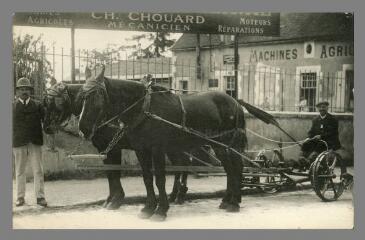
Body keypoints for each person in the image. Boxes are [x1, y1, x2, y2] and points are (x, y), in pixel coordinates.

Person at [13, 77, 47, 207]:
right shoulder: (12, 106)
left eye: (27, 89)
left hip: (35, 142)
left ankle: (40, 197)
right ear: (17, 91)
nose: (24, 91)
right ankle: (20, 197)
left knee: (38, 170)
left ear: (30, 91)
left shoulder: (38, 105)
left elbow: (46, 121)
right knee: (20, 171)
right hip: (18, 142)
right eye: (21, 89)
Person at [298, 101, 352, 183]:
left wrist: (321, 136)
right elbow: (311, 131)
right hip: (318, 140)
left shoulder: (333, 119)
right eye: (320, 107)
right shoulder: (315, 120)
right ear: (318, 109)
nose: (322, 109)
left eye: (324, 107)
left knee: (320, 145)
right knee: (306, 144)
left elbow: (333, 132)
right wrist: (308, 137)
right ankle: (302, 161)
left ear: (327, 108)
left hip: (330, 141)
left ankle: (311, 162)